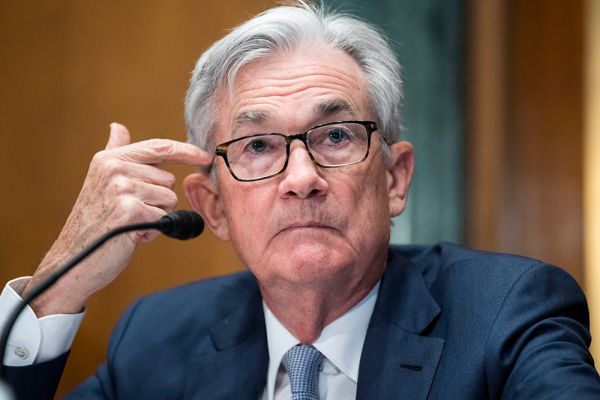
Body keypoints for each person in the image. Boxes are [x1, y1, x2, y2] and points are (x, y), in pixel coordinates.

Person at [2, 2, 599, 399]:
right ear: (213, 207)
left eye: (336, 136)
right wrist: (60, 285)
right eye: (259, 145)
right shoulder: (158, 339)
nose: (302, 177)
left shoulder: (506, 313)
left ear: (395, 179)